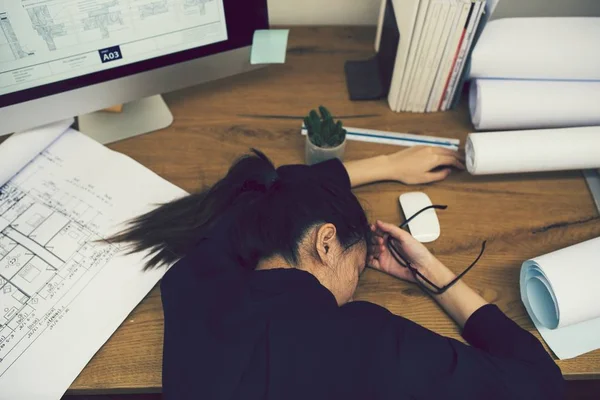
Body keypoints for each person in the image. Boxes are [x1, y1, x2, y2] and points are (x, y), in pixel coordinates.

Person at [111, 146, 564, 400]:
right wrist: (431, 271)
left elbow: (260, 192)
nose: (358, 281)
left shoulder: (196, 276)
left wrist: (389, 165)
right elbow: (540, 384)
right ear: (326, 243)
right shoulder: (371, 344)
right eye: (360, 266)